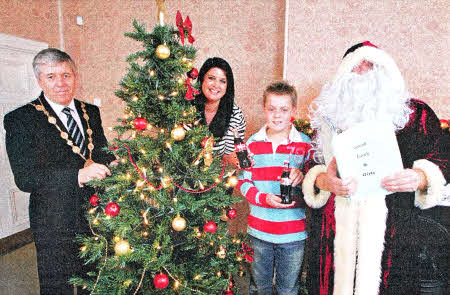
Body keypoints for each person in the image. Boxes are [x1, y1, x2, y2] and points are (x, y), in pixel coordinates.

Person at [302, 41, 449, 295]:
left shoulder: (415, 114)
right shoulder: (329, 114)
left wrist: (421, 177)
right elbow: (311, 164)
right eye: (355, 66)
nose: (362, 71)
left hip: (394, 232)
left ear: (384, 70)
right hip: (334, 233)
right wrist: (324, 181)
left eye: (369, 64)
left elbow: (443, 157)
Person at [4, 48, 116, 294]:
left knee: (95, 280)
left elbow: (101, 152)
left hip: (95, 214)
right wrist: (78, 175)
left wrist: (113, 162)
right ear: (39, 80)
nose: (61, 83)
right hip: (53, 220)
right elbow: (25, 178)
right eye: (51, 77)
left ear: (75, 76)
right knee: (58, 286)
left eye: (66, 75)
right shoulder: (19, 119)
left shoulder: (91, 112)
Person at [238, 81, 312, 294]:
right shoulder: (252, 144)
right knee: (259, 287)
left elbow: (314, 185)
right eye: (271, 109)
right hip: (259, 232)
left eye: (284, 109)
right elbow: (244, 182)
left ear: (294, 112)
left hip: (294, 235)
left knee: (288, 289)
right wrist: (262, 198)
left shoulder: (304, 144)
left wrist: (304, 175)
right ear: (264, 109)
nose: (277, 115)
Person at [195, 57, 246, 166]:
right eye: (211, 78)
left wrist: (236, 159)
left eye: (222, 81)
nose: (216, 85)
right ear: (202, 79)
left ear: (227, 86)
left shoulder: (235, 115)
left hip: (217, 178)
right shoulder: (186, 109)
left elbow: (228, 156)